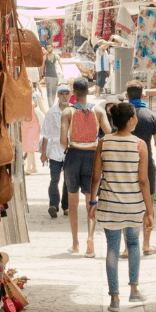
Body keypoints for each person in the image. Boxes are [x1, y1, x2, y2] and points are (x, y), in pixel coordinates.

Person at [90, 103, 155, 312]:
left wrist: (92, 202)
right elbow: (143, 181)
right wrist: (149, 210)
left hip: (109, 205)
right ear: (129, 121)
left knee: (112, 248)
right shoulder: (139, 145)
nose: (136, 119)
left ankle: (114, 298)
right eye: (134, 116)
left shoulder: (104, 142)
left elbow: (95, 177)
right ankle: (134, 290)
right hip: (133, 205)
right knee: (134, 244)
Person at [61, 77, 111, 256]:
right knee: (92, 200)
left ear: (74, 92)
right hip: (92, 156)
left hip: (73, 156)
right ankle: (90, 238)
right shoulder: (98, 110)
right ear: (88, 91)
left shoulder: (68, 112)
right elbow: (107, 132)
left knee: (72, 202)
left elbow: (62, 140)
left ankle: (75, 243)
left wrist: (69, 147)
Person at [126, 79, 156, 255]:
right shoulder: (151, 116)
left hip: (126, 166)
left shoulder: (123, 114)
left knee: (126, 206)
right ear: (143, 94)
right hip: (147, 166)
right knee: (148, 205)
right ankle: (146, 244)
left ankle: (126, 247)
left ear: (127, 95)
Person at [41, 84, 71, 218]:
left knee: (68, 181)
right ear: (58, 95)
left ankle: (66, 206)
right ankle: (53, 205)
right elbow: (45, 134)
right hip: (54, 151)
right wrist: (43, 154)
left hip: (70, 151)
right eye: (62, 94)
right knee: (54, 179)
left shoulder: (74, 111)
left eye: (66, 94)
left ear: (70, 95)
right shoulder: (51, 112)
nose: (64, 96)